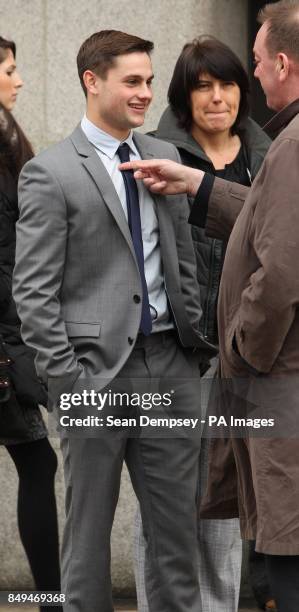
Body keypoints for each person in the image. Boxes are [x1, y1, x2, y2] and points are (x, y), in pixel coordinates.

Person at [12, 29, 216, 612]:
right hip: (93, 379)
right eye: (132, 81)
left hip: (169, 369)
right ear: (91, 81)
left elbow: (179, 260)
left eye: (149, 81)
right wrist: (68, 383)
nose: (145, 93)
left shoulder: (166, 156)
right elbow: (33, 292)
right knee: (87, 546)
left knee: (178, 541)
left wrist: (190, 351)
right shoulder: (50, 172)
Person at [119, 1, 299, 610]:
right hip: (185, 358)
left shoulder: (275, 147)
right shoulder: (151, 157)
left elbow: (277, 260)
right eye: (203, 86)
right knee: (171, 501)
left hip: (254, 358)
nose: (219, 96)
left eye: (232, 79)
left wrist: (245, 342)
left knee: (234, 502)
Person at [0, 36, 62, 611]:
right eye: (10, 70)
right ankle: (52, 600)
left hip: (12, 339)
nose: (19, 81)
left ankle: (52, 599)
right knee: (39, 461)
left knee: (38, 463)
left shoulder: (9, 142)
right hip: (4, 344)